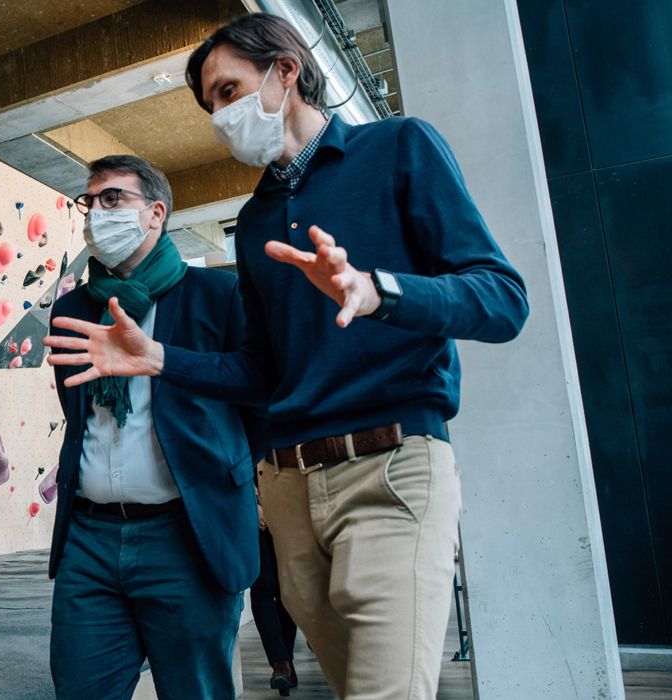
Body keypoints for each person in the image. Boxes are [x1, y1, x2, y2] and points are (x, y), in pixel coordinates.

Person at [44, 13, 529, 700]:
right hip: (293, 488)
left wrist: (378, 290)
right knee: (347, 684)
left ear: (285, 71)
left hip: (393, 468)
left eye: (229, 89)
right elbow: (260, 374)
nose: (221, 115)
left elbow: (503, 299)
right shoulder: (258, 223)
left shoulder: (399, 148)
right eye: (211, 102)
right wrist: (159, 359)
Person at [45, 155, 264, 700]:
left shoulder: (217, 296)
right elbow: (75, 412)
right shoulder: (72, 308)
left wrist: (226, 478)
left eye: (113, 199)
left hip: (184, 534)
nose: (97, 213)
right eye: (89, 201)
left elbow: (257, 397)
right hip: (89, 539)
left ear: (156, 214)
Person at [252, 502, 298, 696]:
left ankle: (285, 663)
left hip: (287, 501)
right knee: (262, 585)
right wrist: (251, 504)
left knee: (288, 586)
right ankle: (280, 662)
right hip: (250, 501)